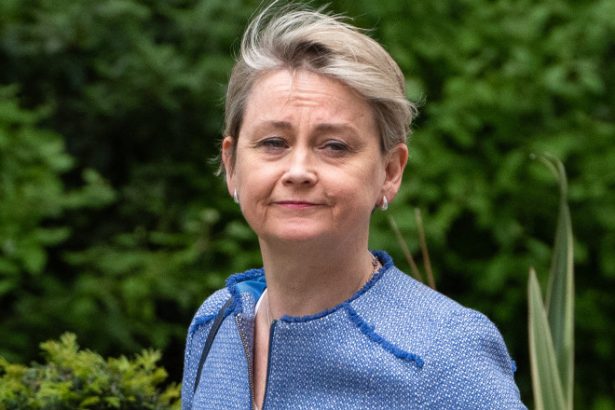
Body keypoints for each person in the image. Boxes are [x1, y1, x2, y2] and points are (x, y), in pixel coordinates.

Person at [182, 3, 526, 409]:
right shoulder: (216, 325)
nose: (298, 170)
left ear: (390, 171)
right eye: (274, 142)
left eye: (334, 146)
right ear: (231, 164)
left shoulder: (445, 356)